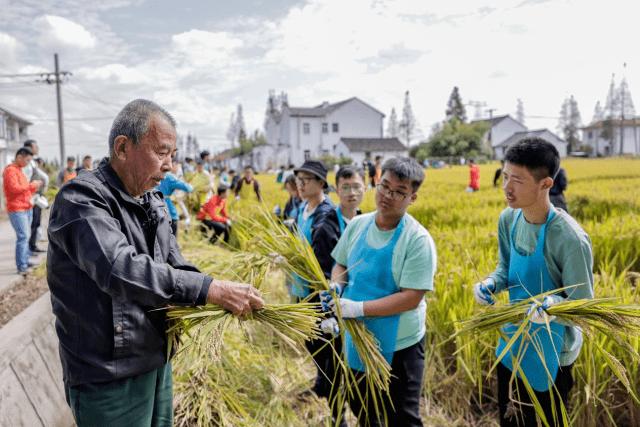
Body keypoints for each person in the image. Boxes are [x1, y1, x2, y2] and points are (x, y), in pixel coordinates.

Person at [46, 99, 264, 426]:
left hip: (157, 359)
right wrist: (209, 290)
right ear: (122, 147)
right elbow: (119, 268)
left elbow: (174, 262)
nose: (170, 166)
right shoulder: (81, 199)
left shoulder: (152, 199)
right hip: (109, 373)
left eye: (173, 155)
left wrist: (221, 296)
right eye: (162, 152)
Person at [472, 137, 593, 427]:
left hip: (553, 352)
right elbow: (506, 267)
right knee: (511, 419)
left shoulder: (570, 239)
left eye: (518, 180)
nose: (507, 187)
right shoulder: (508, 219)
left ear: (546, 184)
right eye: (505, 176)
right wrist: (490, 283)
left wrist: (552, 307)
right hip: (512, 340)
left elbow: (583, 307)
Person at [324, 157, 437, 427]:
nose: (388, 196)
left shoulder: (418, 240)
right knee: (363, 410)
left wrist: (358, 308)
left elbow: (412, 297)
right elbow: (341, 262)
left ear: (413, 198)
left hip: (400, 345)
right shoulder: (358, 225)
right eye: (384, 186)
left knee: (402, 418)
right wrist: (336, 285)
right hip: (358, 339)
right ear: (377, 183)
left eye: (399, 192)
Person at [290, 160, 345, 426]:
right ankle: (321, 384)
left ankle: (338, 416)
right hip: (301, 290)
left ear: (321, 184)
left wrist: (329, 310)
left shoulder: (326, 217)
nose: (300, 184)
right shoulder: (302, 209)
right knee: (312, 343)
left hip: (319, 296)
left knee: (330, 353)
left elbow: (330, 267)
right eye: (298, 179)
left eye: (306, 180)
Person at [4, 147, 43, 275]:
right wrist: (32, 185)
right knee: (23, 237)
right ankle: (21, 265)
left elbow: (23, 190)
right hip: (17, 209)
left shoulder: (19, 171)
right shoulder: (10, 170)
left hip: (26, 207)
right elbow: (15, 188)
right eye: (27, 160)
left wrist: (34, 186)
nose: (27, 163)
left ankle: (25, 260)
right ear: (19, 157)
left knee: (26, 236)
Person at [22, 140, 48, 254]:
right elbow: (26, 181)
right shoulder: (27, 164)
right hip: (31, 197)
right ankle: (30, 248)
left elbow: (42, 175)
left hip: (36, 195)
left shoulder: (32, 162)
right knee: (32, 224)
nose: (37, 148)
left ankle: (33, 245)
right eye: (35, 146)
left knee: (36, 222)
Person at [156, 158, 194, 236]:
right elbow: (185, 187)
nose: (178, 169)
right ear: (173, 165)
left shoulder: (156, 173)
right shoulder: (168, 176)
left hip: (155, 204)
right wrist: (191, 187)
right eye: (177, 166)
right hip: (166, 205)